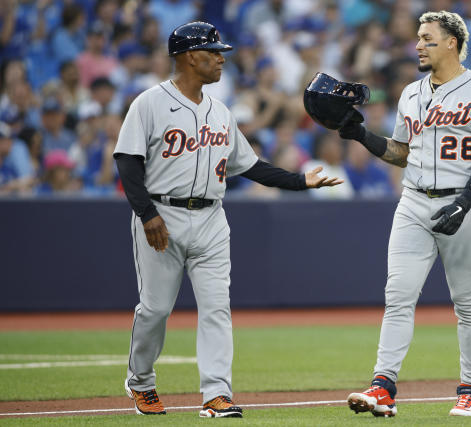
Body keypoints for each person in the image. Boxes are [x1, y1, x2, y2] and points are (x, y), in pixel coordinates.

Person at [113, 21, 342, 418]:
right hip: (162, 213)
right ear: (188, 56)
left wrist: (299, 181)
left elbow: (250, 166)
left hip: (211, 220)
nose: (221, 59)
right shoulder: (149, 103)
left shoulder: (220, 112)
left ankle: (216, 394)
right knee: (154, 309)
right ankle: (141, 382)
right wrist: (146, 212)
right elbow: (127, 161)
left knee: (217, 308)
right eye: (213, 51)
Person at [338, 11, 471, 417]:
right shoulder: (410, 94)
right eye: (418, 38)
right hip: (413, 200)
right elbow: (401, 152)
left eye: (427, 38)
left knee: (467, 302)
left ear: (452, 42)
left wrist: (464, 202)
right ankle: (383, 386)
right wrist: (362, 135)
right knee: (397, 296)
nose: (418, 45)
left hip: (465, 201)